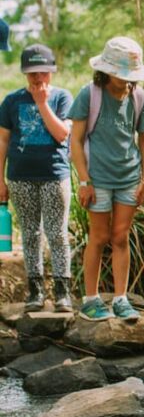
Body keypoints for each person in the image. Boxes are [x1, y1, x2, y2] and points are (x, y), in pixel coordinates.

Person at [70, 37, 144, 322]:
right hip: (98, 178)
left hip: (129, 177)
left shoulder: (139, 98)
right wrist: (83, 181)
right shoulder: (89, 94)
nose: (126, 81)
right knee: (99, 236)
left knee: (120, 236)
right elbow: (76, 140)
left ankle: (120, 298)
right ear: (106, 71)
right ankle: (91, 299)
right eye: (121, 74)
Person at [0, 44, 74, 312]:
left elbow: (62, 134)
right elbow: (3, 140)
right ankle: (35, 290)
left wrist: (42, 103)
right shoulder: (11, 101)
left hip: (54, 175)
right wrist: (0, 178)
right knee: (30, 234)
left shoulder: (62, 98)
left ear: (51, 72)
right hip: (20, 177)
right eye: (32, 73)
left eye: (43, 72)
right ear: (24, 73)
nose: (38, 78)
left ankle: (62, 291)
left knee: (57, 234)